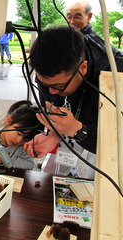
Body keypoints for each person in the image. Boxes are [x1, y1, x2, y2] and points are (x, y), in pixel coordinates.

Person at [23, 26, 123, 178]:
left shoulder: (115, 78)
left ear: (83, 68)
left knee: (99, 177)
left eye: (58, 86)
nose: (51, 92)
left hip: (105, 129)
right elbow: (54, 103)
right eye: (44, 84)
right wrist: (53, 134)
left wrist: (77, 130)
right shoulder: (50, 72)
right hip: (77, 120)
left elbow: (115, 146)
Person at [66, 0, 123, 70]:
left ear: (89, 17)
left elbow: (118, 60)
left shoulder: (94, 41)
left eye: (77, 17)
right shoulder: (66, 38)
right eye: (69, 17)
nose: (72, 21)